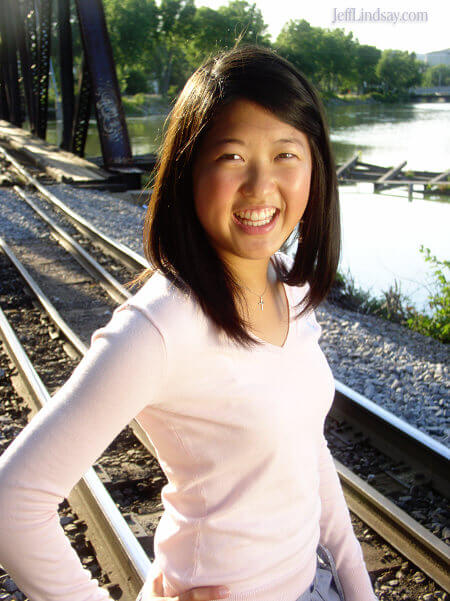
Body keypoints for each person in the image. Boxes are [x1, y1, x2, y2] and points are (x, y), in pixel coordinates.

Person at [0, 43, 378, 601]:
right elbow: (13, 502)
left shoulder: (289, 289)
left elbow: (307, 448)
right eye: (231, 157)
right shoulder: (160, 327)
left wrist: (356, 586)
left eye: (285, 154)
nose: (259, 186)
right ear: (188, 171)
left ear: (315, 168)